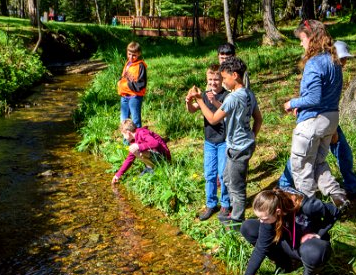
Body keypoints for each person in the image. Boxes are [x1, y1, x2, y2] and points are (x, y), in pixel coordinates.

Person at [278, 40, 356, 199]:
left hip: (323, 120)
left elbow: (319, 98)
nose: (344, 62)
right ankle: (286, 184)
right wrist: (299, 105)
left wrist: (294, 103)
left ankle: (342, 190)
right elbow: (314, 96)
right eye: (343, 58)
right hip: (321, 119)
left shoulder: (332, 69)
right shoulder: (326, 66)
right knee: (306, 158)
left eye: (345, 59)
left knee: (307, 158)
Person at [187, 56, 263, 225]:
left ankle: (236, 220)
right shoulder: (249, 93)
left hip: (237, 147)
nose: (223, 81)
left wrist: (200, 99)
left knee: (237, 187)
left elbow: (213, 119)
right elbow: (258, 119)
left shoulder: (233, 97)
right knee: (227, 177)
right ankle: (228, 208)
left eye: (225, 78)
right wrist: (252, 137)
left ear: (234, 75)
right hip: (243, 144)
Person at [229, 188, 339, 275]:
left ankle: (310, 274)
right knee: (248, 227)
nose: (261, 221)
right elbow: (260, 248)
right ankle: (285, 263)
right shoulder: (270, 213)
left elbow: (334, 212)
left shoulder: (307, 206)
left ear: (277, 211)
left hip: (310, 247)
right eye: (259, 218)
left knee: (313, 251)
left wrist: (318, 234)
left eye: (264, 218)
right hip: (290, 244)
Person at [185, 64, 230, 221]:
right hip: (209, 141)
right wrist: (189, 102)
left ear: (222, 79)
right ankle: (211, 204)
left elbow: (219, 114)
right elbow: (192, 109)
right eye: (210, 80)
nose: (213, 83)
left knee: (223, 174)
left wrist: (213, 101)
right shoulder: (204, 95)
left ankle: (225, 203)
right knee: (209, 174)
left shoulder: (226, 96)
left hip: (224, 140)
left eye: (216, 79)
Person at [112, 119, 171, 183]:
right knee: (133, 149)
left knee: (135, 149)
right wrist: (118, 175)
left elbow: (155, 143)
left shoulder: (142, 133)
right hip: (155, 157)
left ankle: (152, 168)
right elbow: (130, 159)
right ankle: (150, 167)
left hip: (164, 159)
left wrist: (139, 146)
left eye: (123, 135)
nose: (124, 138)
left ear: (128, 133)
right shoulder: (134, 141)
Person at [117, 41, 147, 129]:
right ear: (127, 52)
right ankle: (126, 140)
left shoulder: (141, 66)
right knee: (123, 119)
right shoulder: (128, 64)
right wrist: (120, 82)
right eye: (129, 54)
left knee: (135, 119)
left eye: (134, 55)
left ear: (139, 54)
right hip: (124, 96)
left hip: (135, 97)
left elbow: (141, 84)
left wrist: (128, 85)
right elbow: (124, 76)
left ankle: (138, 139)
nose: (131, 57)